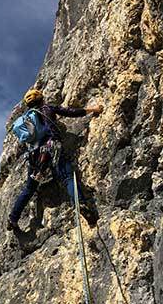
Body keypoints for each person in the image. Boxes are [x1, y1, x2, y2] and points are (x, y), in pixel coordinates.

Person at [7, 89, 103, 231]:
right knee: (68, 177)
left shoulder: (26, 119)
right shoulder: (47, 108)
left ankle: (13, 219)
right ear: (41, 99)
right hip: (52, 148)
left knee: (29, 188)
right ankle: (81, 205)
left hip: (35, 156)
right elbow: (70, 112)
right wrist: (93, 109)